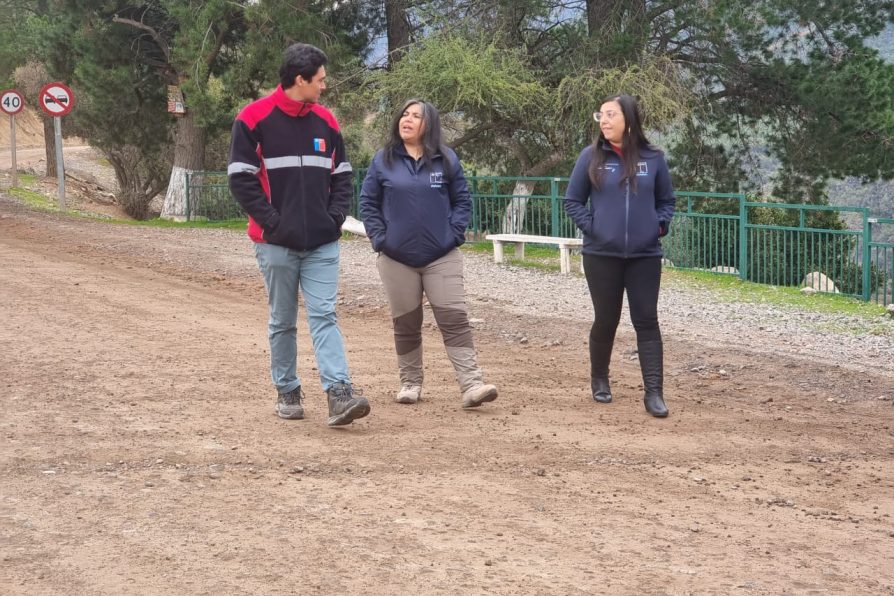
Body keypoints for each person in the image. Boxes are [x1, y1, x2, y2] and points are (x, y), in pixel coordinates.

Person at [228, 43, 370, 427]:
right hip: (275, 243)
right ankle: (287, 389)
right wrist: (273, 222)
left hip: (322, 242)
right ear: (300, 79)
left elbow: (342, 176)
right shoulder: (253, 118)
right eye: (320, 79)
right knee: (283, 319)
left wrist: (335, 217)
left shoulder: (327, 121)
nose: (325, 86)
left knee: (325, 313)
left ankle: (339, 393)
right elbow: (241, 180)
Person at [359, 99, 498, 409]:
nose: (407, 120)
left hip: (442, 256)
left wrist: (454, 234)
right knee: (406, 323)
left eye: (416, 116)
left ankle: (472, 384)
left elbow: (462, 201)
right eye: (404, 114)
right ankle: (410, 383)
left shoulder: (445, 159)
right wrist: (381, 240)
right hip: (396, 258)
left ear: (429, 125)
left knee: (454, 318)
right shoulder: (383, 160)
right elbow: (368, 203)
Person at [563, 93, 676, 417]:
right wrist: (594, 228)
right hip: (601, 254)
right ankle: (600, 379)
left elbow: (667, 200)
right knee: (606, 319)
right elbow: (572, 201)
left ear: (629, 119)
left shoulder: (653, 158)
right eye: (602, 115)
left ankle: (654, 393)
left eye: (611, 114)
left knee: (647, 320)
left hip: (644, 255)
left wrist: (658, 227)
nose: (605, 120)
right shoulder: (590, 157)